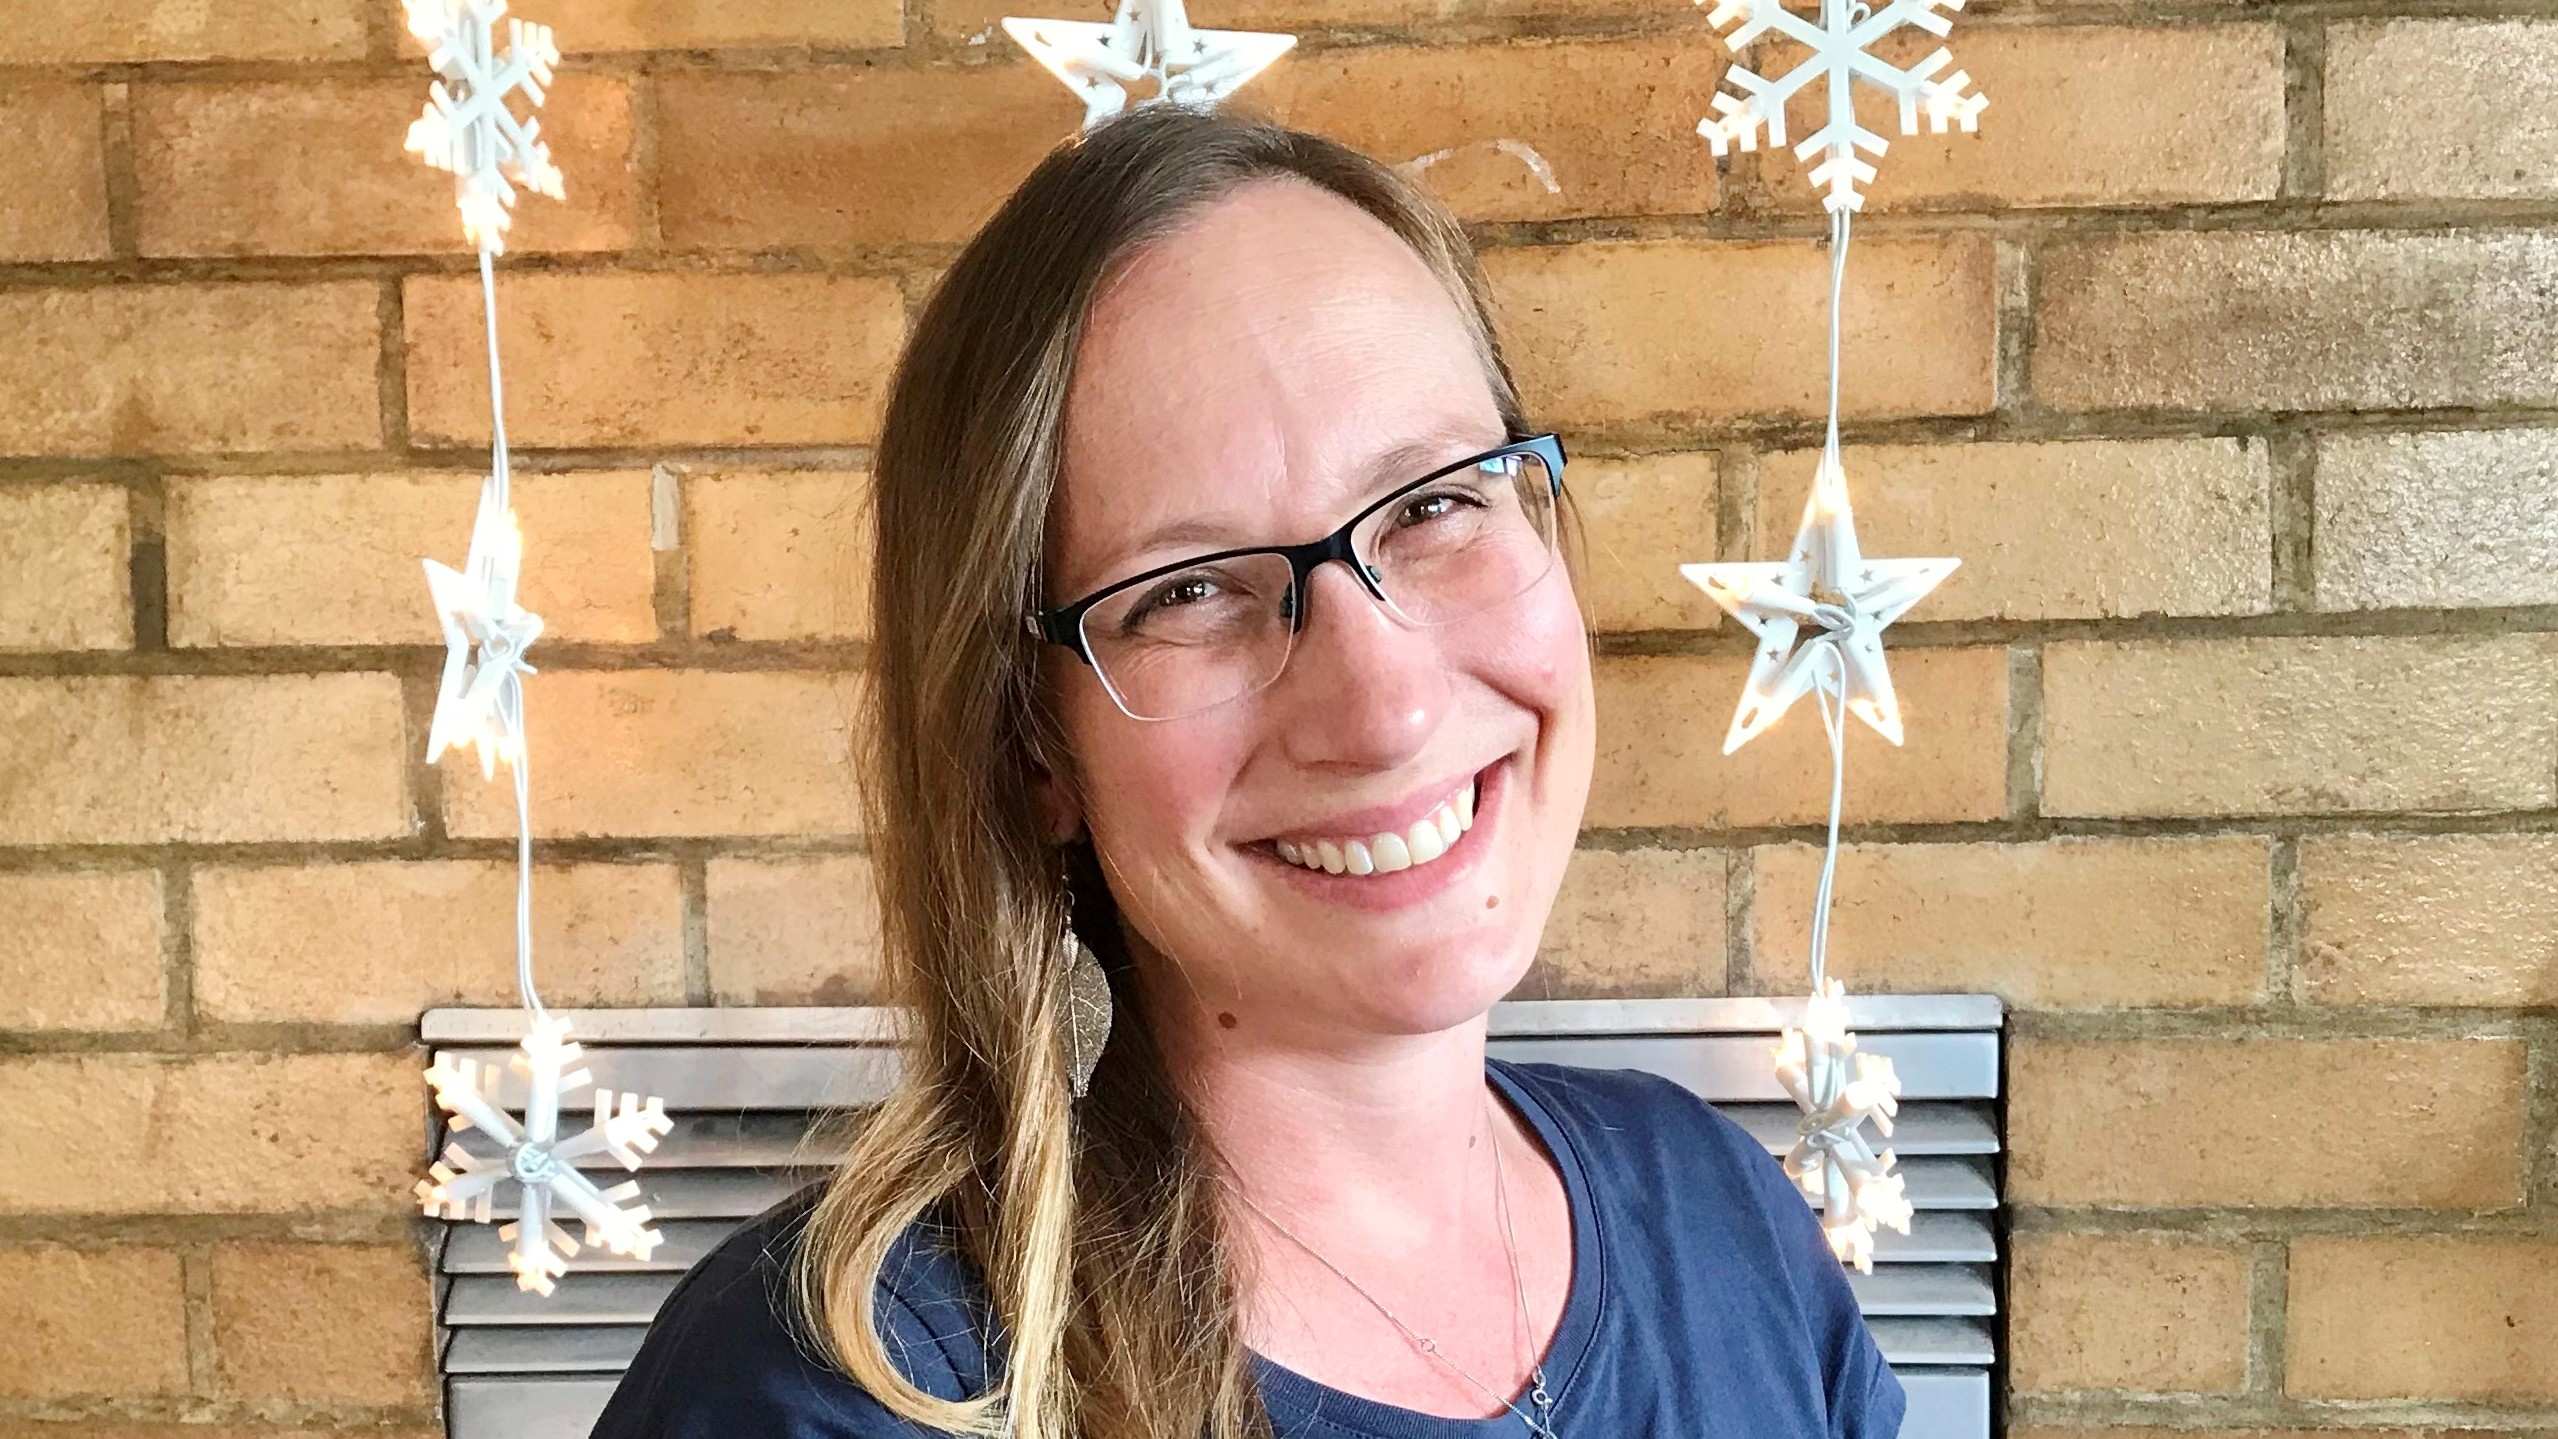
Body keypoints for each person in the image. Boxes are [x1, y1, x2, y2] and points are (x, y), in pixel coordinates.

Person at [589, 105, 1906, 1439]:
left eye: (1436, 501)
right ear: (1032, 745)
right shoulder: (844, 1389)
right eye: (1192, 590)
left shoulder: (1717, 1205)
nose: (1382, 706)